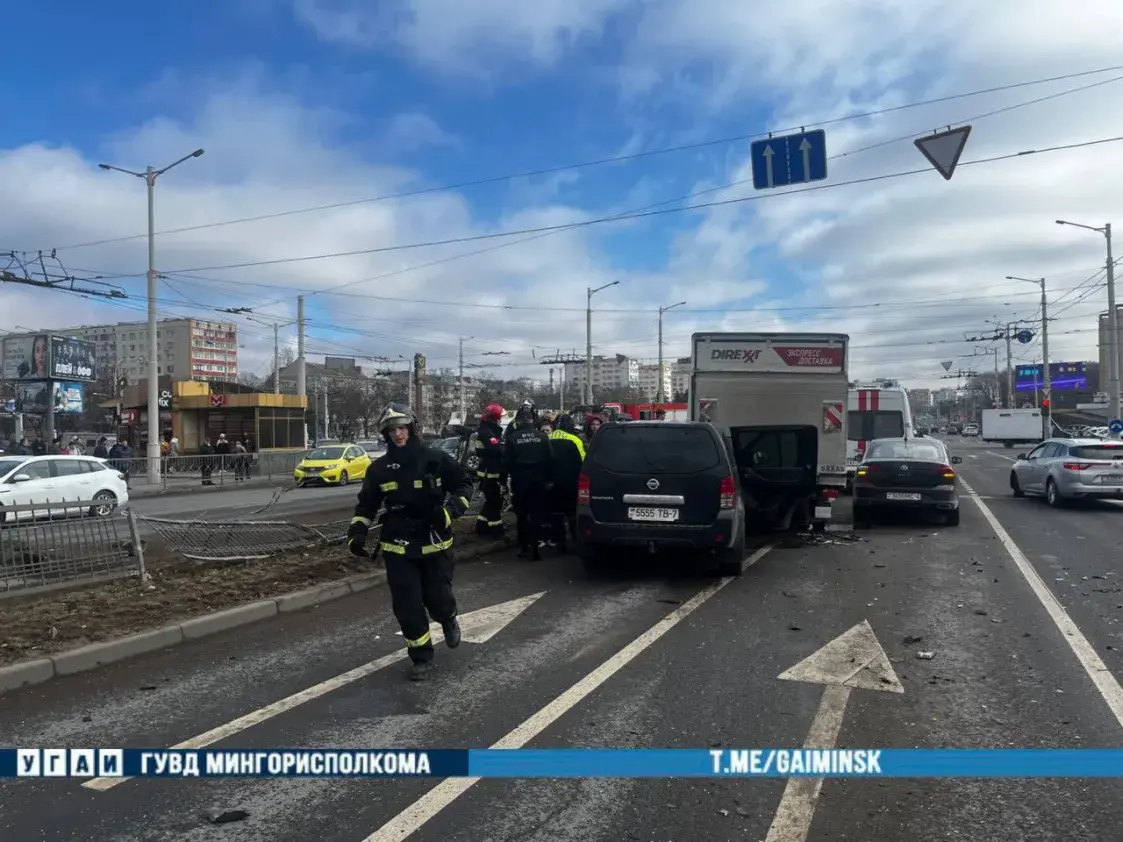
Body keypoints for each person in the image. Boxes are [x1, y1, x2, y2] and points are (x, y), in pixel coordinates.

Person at [347, 403, 475, 681]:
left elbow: (464, 484)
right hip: (397, 544)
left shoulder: (435, 459)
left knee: (437, 598)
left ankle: (448, 617)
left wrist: (449, 511)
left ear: (412, 428)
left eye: (402, 428)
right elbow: (366, 504)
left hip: (434, 541)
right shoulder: (379, 469)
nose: (397, 434)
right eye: (391, 430)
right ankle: (421, 657)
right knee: (407, 604)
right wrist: (357, 531)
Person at [501, 404, 553, 560]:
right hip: (539, 480)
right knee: (538, 513)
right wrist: (549, 479)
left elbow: (506, 462)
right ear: (533, 421)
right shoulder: (542, 437)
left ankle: (525, 547)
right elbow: (550, 459)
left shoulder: (512, 438)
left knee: (522, 515)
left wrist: (502, 480)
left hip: (520, 480)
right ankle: (538, 544)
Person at [548, 413, 585, 553]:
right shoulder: (574, 440)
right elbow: (582, 462)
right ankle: (576, 541)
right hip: (570, 484)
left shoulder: (548, 438)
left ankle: (560, 543)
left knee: (556, 516)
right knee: (572, 515)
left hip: (551, 485)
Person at [473, 402, 506, 537]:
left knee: (492, 501)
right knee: (494, 502)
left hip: (490, 472)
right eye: (499, 418)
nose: (501, 420)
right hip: (489, 473)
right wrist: (505, 447)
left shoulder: (489, 430)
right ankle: (496, 529)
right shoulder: (486, 433)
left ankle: (481, 525)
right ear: (494, 418)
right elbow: (495, 449)